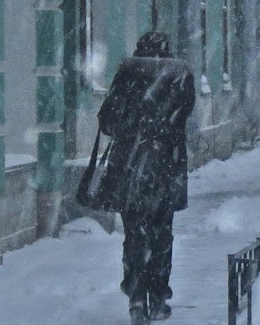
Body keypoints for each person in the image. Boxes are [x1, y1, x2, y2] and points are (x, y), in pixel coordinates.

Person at [96, 32, 195, 325]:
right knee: (161, 233)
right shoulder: (179, 77)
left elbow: (107, 122)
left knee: (135, 233)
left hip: (131, 168)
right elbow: (183, 117)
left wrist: (132, 130)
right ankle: (158, 297)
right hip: (166, 169)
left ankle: (136, 297)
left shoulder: (127, 75)